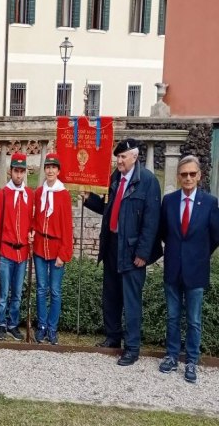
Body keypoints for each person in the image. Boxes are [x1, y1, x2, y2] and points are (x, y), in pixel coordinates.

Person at [83, 139, 162, 366]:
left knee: (131, 300)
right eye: (117, 157)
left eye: (123, 157)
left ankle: (133, 347)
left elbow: (151, 221)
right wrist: (89, 199)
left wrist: (143, 253)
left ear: (135, 157)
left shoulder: (147, 181)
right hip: (112, 246)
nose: (118, 160)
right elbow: (108, 208)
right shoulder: (115, 178)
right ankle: (113, 337)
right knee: (111, 296)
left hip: (133, 250)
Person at [158, 155, 219, 383]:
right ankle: (172, 356)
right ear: (178, 176)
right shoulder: (170, 201)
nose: (188, 178)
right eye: (184, 174)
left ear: (199, 176)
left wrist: (199, 254)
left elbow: (215, 235)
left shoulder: (210, 202)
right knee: (173, 317)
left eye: (192, 174)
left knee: (194, 319)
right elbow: (164, 232)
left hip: (196, 270)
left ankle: (192, 360)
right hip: (173, 267)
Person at [0, 155, 35, 341]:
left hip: (22, 251)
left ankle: (13, 324)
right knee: (4, 293)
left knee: (17, 293)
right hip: (6, 250)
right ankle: (1, 323)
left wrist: (32, 232)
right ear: (11, 172)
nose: (19, 175)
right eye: (16, 171)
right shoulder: (3, 194)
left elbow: (32, 221)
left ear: (25, 172)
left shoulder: (29, 194)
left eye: (21, 171)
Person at [32, 153, 73, 345]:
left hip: (56, 247)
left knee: (55, 290)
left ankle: (52, 327)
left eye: (53, 167)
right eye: (47, 167)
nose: (50, 170)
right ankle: (41, 326)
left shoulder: (63, 194)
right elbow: (35, 218)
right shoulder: (39, 192)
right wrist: (32, 230)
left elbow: (67, 225)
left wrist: (64, 253)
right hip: (40, 246)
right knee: (41, 289)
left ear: (58, 171)